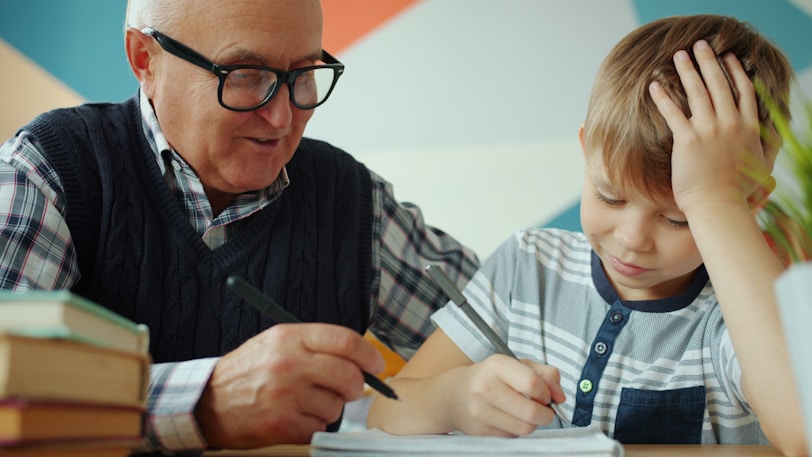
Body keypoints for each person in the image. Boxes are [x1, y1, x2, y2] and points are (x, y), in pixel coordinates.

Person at [0, 0, 479, 453]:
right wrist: (203, 403)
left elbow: (499, 325)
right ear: (146, 59)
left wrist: (472, 389)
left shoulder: (352, 201)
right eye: (246, 75)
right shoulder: (49, 172)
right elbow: (7, 391)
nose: (282, 116)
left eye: (305, 74)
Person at [367, 14, 808, 456]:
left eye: (679, 218)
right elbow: (384, 410)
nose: (633, 238)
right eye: (610, 196)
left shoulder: (740, 318)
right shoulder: (527, 266)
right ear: (586, 150)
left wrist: (715, 199)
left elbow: (803, 431)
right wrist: (451, 400)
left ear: (749, 203)